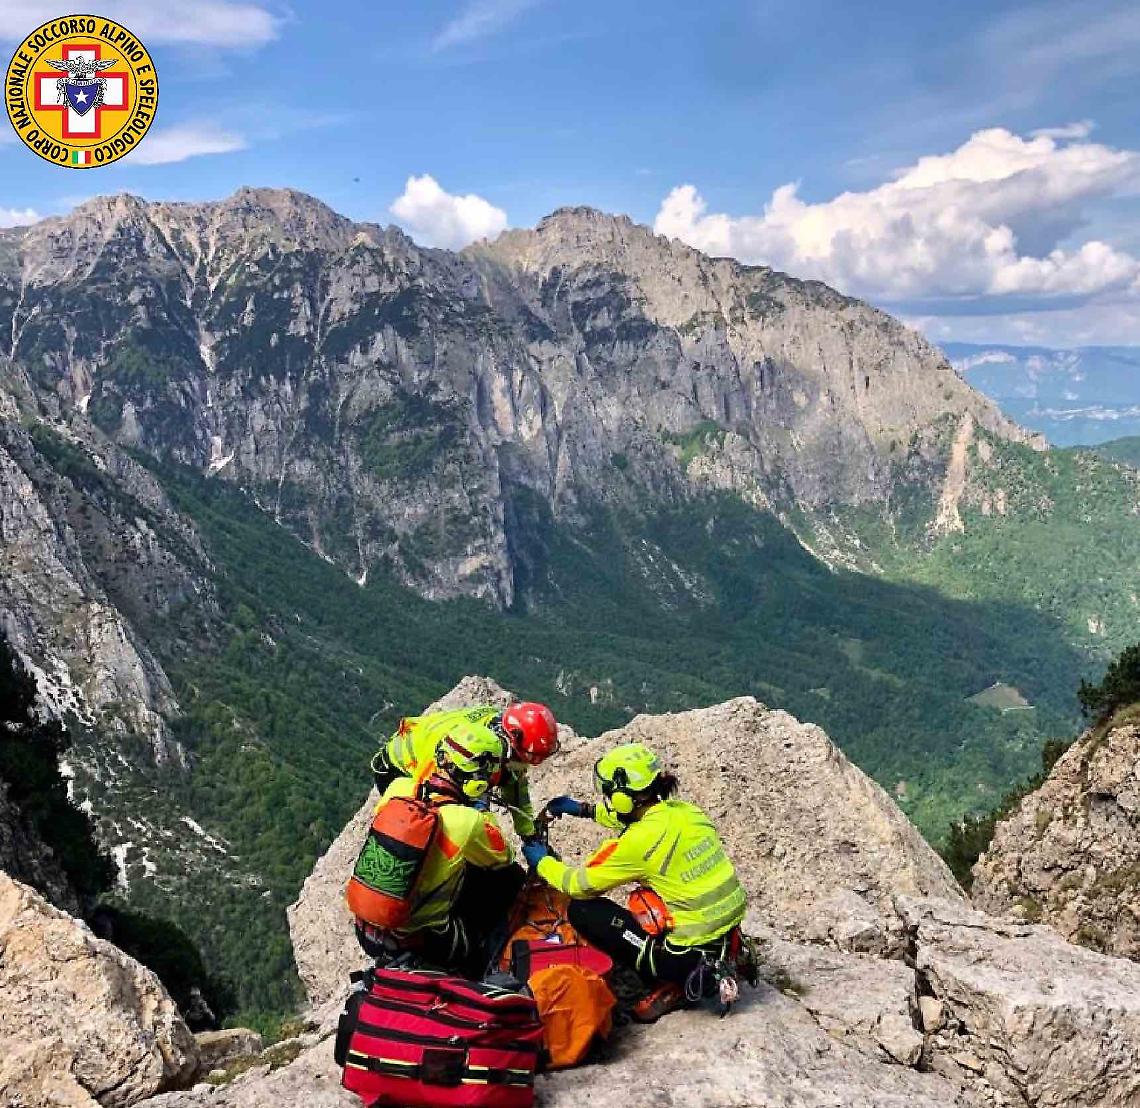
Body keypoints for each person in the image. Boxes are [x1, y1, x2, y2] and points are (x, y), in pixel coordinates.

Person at [521, 743, 750, 1023]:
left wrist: (542, 862)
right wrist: (584, 810)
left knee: (583, 910)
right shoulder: (685, 812)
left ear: (622, 799)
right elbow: (633, 818)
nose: (608, 800)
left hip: (684, 956)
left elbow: (579, 883)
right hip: (726, 938)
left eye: (609, 795)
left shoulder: (638, 843)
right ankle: (715, 963)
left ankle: (673, 978)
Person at [355, 720, 525, 978]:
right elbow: (503, 857)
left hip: (367, 931)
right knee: (508, 880)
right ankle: (479, 967)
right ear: (477, 782)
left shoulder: (399, 788)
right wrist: (481, 811)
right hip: (424, 944)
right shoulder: (467, 822)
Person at [370, 701, 559, 841]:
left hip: (422, 749)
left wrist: (528, 832)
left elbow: (513, 779)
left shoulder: (500, 727)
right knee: (428, 829)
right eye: (527, 759)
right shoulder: (459, 752)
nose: (528, 765)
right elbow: (439, 794)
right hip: (398, 768)